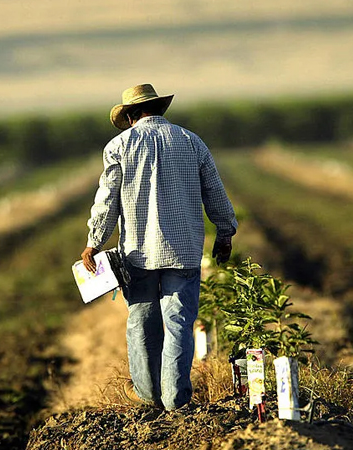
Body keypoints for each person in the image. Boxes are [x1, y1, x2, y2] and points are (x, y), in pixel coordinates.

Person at [81, 83, 237, 411]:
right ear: (158, 109)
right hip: (184, 250)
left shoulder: (118, 146)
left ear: (131, 116)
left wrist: (94, 242)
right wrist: (225, 232)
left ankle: (149, 395)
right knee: (179, 323)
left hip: (137, 253)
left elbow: (107, 200)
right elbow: (214, 191)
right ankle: (176, 400)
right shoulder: (191, 141)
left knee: (141, 322)